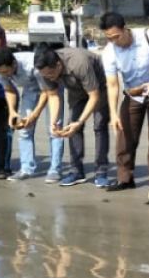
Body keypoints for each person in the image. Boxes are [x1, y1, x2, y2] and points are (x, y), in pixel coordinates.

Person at [100, 12, 149, 191]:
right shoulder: (109, 51)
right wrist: (113, 114)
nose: (114, 41)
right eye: (109, 38)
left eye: (116, 36)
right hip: (133, 94)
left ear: (125, 29)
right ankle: (125, 178)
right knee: (124, 136)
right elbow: (112, 84)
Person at [34, 45, 110, 187]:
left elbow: (94, 96)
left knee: (99, 125)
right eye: (45, 76)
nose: (48, 78)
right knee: (71, 124)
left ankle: (101, 171)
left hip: (99, 86)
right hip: (75, 89)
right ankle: (76, 171)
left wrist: (80, 122)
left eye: (50, 74)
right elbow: (53, 95)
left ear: (58, 65)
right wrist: (53, 122)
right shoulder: (44, 70)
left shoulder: (78, 62)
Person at [0, 46, 65, 181]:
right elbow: (9, 90)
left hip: (51, 87)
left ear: (14, 63)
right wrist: (12, 111)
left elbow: (47, 92)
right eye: (1, 72)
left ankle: (55, 169)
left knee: (54, 128)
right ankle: (26, 168)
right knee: (24, 129)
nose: (5, 75)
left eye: (6, 71)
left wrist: (35, 115)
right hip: (30, 88)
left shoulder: (32, 65)